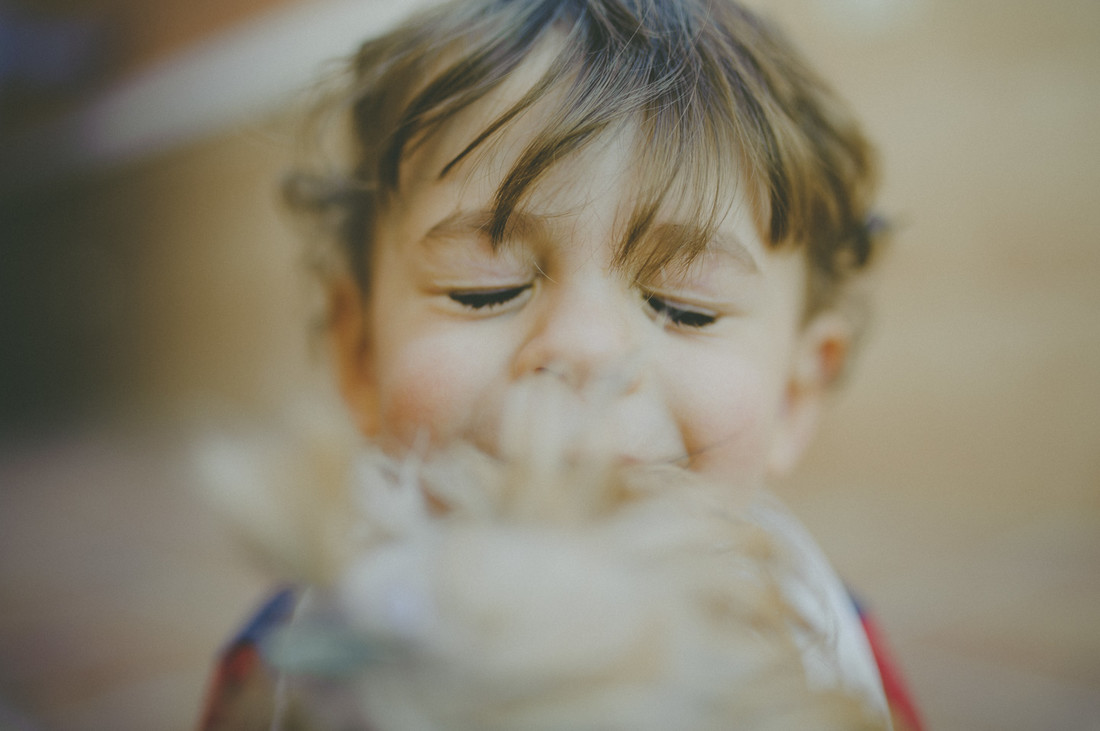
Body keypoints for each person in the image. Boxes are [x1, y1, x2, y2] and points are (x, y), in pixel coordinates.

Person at [199, 0, 923, 728]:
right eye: (484, 291)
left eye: (685, 307)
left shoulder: (831, 656)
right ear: (359, 351)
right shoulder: (299, 663)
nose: (583, 349)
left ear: (795, 394)